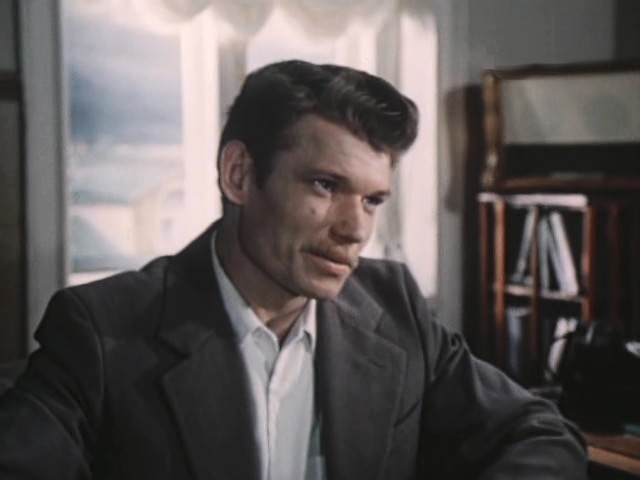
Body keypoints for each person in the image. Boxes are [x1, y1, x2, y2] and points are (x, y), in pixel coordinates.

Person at [0, 60, 586, 479]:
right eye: (326, 185)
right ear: (238, 175)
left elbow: (542, 433)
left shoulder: (393, 305)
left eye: (372, 200)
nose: (355, 229)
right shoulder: (102, 329)